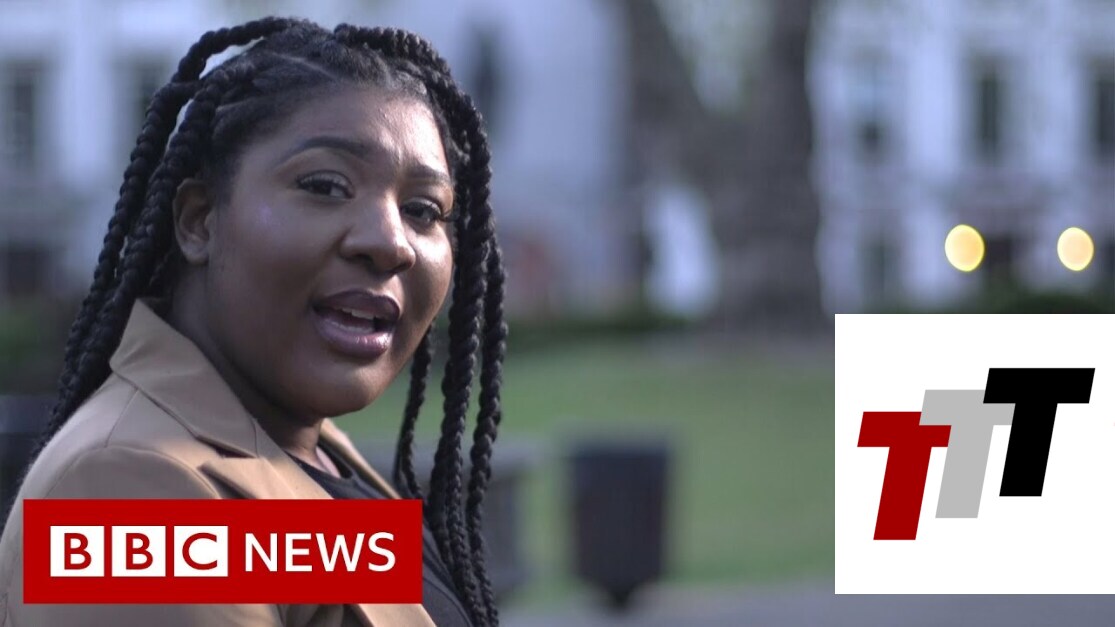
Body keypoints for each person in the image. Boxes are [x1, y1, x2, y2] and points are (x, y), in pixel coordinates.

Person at [0, 17, 507, 627]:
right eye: (326, 186)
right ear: (199, 220)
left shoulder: (311, 446)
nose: (390, 242)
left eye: (423, 209)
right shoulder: (128, 487)